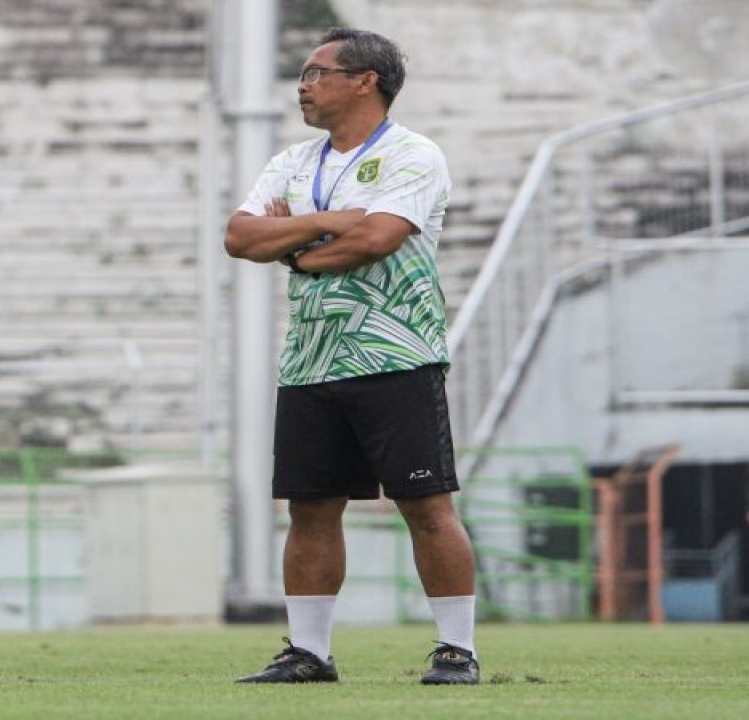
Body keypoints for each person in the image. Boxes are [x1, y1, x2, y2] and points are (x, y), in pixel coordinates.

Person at [224, 27, 480, 685]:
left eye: (317, 73)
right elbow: (240, 237)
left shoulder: (412, 154)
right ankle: (309, 653)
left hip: (396, 352)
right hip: (310, 358)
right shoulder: (292, 161)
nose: (303, 86)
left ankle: (458, 650)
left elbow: (376, 238)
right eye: (303, 75)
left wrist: (291, 250)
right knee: (310, 508)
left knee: (426, 505)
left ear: (365, 81)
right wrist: (324, 223)